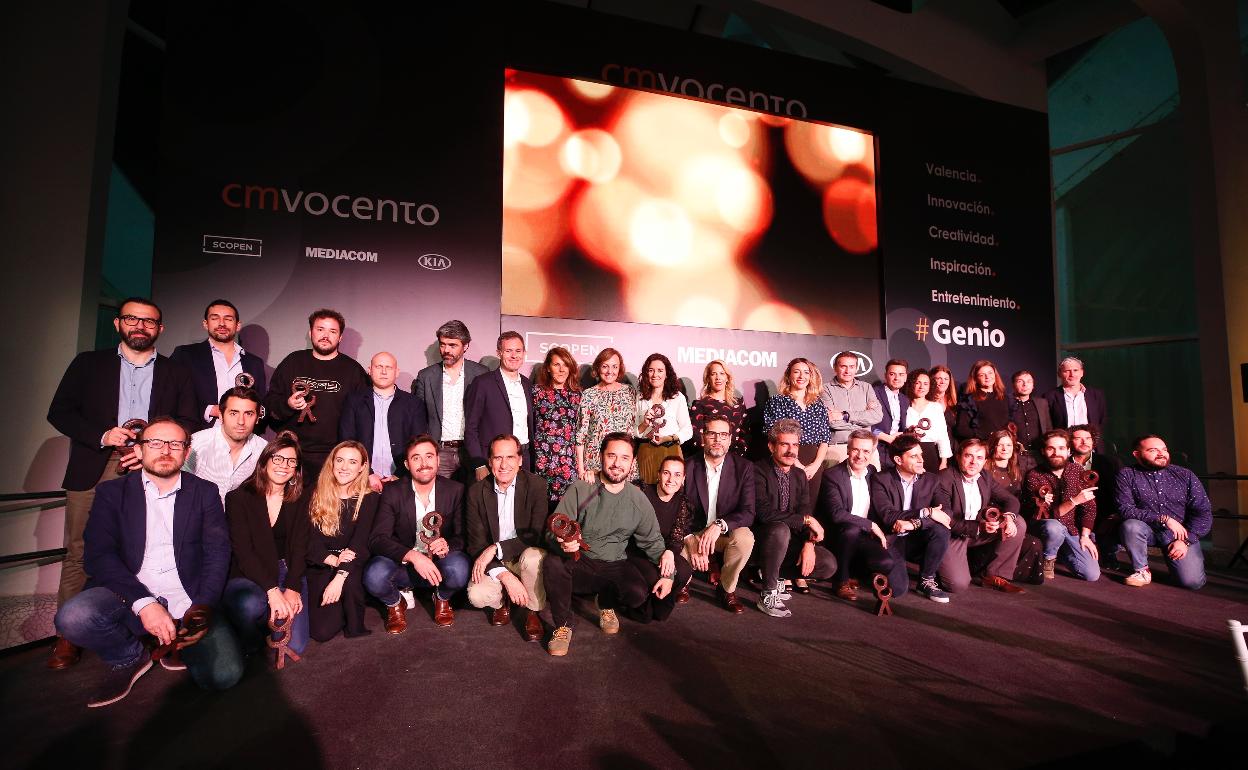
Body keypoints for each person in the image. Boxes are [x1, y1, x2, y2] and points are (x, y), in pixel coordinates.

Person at [45, 297, 198, 670]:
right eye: (132, 319)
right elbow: (59, 411)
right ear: (119, 324)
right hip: (94, 464)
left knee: (150, 545)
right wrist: (101, 435)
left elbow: (190, 420)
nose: (140, 326)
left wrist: (151, 447)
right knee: (81, 548)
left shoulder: (175, 371)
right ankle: (69, 635)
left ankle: (144, 620)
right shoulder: (89, 364)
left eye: (149, 321)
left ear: (160, 329)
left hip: (151, 466)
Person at [53, 417, 243, 706]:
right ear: (138, 451)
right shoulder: (111, 494)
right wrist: (145, 603)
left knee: (224, 676)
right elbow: (98, 556)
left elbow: (217, 552)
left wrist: (203, 607)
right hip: (129, 591)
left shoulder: (204, 492)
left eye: (175, 444)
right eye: (155, 443)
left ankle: (174, 641)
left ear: (186, 452)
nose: (165, 450)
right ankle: (131, 655)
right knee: (74, 617)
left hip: (188, 594)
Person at [544, 434, 669, 656]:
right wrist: (562, 543)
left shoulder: (638, 499)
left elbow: (653, 542)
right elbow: (553, 529)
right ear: (601, 456)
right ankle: (563, 625)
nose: (617, 464)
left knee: (637, 593)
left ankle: (606, 603)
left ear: (632, 463)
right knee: (553, 563)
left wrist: (668, 574)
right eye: (611, 456)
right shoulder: (582, 488)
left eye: (624, 458)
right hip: (581, 560)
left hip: (614, 564)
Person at [366, 435, 470, 631]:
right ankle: (395, 603)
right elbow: (377, 539)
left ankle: (441, 598)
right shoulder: (392, 491)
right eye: (416, 458)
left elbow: (463, 536)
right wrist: (411, 555)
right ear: (406, 464)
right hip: (403, 566)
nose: (424, 464)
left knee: (459, 569)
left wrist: (448, 544)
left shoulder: (455, 490)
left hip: (438, 567)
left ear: (438, 460)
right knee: (374, 576)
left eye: (429, 456)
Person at [222, 432, 311, 658]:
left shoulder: (300, 498)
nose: (284, 465)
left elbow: (301, 545)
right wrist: (273, 592)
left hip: (288, 569)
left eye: (291, 461)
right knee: (251, 606)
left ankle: (270, 616)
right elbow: (244, 552)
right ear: (265, 462)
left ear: (296, 469)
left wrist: (292, 588)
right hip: (251, 573)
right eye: (277, 459)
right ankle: (247, 634)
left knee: (295, 645)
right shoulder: (239, 498)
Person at [263, 309, 368, 479]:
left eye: (332, 331)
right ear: (310, 332)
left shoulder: (353, 370)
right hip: (292, 453)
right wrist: (288, 405)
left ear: (340, 337)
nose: (326, 335)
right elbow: (270, 403)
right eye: (320, 329)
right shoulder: (292, 362)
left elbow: (363, 418)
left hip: (334, 456)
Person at [465, 434, 548, 641]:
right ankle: (502, 602)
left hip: (523, 554)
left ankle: (532, 610)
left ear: (520, 460)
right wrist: (506, 576)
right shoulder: (476, 492)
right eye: (498, 458)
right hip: (497, 562)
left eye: (510, 457)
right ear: (490, 461)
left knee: (533, 558)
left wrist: (496, 548)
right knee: (477, 596)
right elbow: (476, 544)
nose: (504, 465)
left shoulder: (536, 485)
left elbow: (535, 534)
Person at [752, 420, 837, 617]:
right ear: (771, 446)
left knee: (828, 564)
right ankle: (768, 593)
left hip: (791, 541)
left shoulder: (799, 475)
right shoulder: (757, 470)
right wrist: (807, 521)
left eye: (795, 445)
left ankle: (774, 575)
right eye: (784, 444)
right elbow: (764, 514)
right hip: (761, 540)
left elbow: (804, 510)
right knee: (779, 529)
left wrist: (809, 544)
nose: (791, 451)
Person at [303, 441, 379, 641]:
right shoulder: (314, 492)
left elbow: (360, 543)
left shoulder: (368, 498)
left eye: (352, 462)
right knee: (320, 632)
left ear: (363, 467)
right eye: (340, 460)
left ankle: (351, 606)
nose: (344, 467)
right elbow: (309, 541)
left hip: (352, 563)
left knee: (351, 582)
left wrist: (340, 575)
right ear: (332, 463)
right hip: (321, 562)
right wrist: (334, 561)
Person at [1115, 435, 1210, 590]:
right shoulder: (1126, 474)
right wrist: (1163, 519)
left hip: (1180, 534)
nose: (1161, 453)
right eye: (1153, 450)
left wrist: (1186, 541)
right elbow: (1125, 509)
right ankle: (1141, 571)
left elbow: (1203, 512)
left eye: (1164, 449)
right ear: (1136, 454)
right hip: (1147, 530)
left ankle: (1179, 567)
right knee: (1130, 525)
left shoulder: (1185, 475)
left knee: (1192, 583)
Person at [683, 417, 757, 613]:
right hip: (694, 532)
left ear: (730, 439)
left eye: (723, 435)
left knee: (745, 538)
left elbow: (748, 512)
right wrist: (691, 540)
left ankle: (726, 589)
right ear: (703, 437)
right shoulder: (687, 466)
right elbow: (675, 510)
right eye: (712, 434)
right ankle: (682, 582)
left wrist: (719, 525)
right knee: (678, 549)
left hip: (722, 534)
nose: (718, 439)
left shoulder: (744, 468)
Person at [934, 439, 1027, 594]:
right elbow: (946, 519)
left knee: (1018, 523)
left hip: (977, 530)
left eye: (979, 458)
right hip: (951, 535)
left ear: (985, 461)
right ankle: (939, 566)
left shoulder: (984, 476)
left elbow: (1010, 500)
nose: (973, 462)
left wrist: (1008, 518)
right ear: (958, 457)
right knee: (957, 585)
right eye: (968, 456)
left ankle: (994, 576)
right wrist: (979, 527)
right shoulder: (944, 478)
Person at [871, 434, 953, 602]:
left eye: (921, 455)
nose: (921, 460)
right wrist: (926, 512)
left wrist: (915, 523)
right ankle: (872, 568)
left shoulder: (931, 480)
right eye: (914, 456)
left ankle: (926, 580)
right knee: (898, 590)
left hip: (916, 538)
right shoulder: (881, 479)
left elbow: (947, 514)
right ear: (898, 460)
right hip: (891, 538)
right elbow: (888, 515)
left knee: (941, 529)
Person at [819, 430, 894, 601]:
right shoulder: (833, 476)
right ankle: (840, 581)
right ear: (847, 449)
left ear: (873, 452)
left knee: (886, 563)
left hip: (864, 536)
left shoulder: (873, 472)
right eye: (855, 450)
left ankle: (852, 572)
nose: (860, 456)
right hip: (839, 535)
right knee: (851, 530)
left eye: (866, 451)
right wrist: (871, 525)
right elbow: (837, 514)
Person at [170, 299, 267, 431]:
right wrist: (210, 410)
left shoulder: (254, 363)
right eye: (215, 318)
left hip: (244, 438)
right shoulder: (185, 355)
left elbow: (261, 403)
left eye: (228, 319)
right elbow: (171, 397)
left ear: (238, 325)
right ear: (206, 323)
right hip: (198, 437)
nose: (222, 323)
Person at [339, 351, 427, 492]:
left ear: (396, 372)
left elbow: (419, 443)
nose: (384, 371)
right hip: (361, 478)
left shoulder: (413, 403)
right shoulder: (354, 400)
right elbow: (347, 440)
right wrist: (367, 473)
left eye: (389, 367)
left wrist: (399, 475)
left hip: (401, 479)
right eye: (378, 367)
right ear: (369, 370)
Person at [411, 319, 489, 479]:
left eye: (452, 345)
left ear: (466, 346)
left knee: (474, 501)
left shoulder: (481, 374)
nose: (446, 350)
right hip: (440, 451)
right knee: (441, 502)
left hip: (474, 451)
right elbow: (418, 418)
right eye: (442, 344)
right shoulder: (426, 377)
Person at [1023, 430, 1100, 582]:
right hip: (1043, 527)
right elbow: (1047, 514)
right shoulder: (1034, 475)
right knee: (1054, 527)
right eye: (1051, 448)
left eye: (1061, 448)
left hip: (1070, 528)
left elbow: (1089, 507)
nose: (1056, 453)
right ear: (1043, 451)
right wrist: (1074, 501)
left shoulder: (1077, 470)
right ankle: (1048, 559)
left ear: (1069, 450)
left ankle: (1061, 552)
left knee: (1091, 574)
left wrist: (1085, 536)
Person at [762, 358, 831, 510]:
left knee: (810, 506)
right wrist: (796, 463)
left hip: (814, 460)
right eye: (796, 371)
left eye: (806, 372)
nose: (801, 376)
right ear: (789, 376)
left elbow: (825, 438)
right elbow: (773, 433)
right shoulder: (777, 401)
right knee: (789, 506)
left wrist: (816, 465)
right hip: (787, 457)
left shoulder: (818, 404)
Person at [465, 332, 535, 481]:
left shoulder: (528, 384)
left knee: (521, 503)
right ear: (499, 353)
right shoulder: (482, 383)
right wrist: (479, 464)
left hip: (524, 458)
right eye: (508, 351)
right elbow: (471, 427)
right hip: (494, 461)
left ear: (524, 353)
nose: (514, 355)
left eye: (518, 351)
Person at [183, 386, 268, 504]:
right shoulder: (196, 444)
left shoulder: (263, 449)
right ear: (221, 416)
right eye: (233, 413)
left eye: (248, 414)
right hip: (199, 515)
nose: (241, 421)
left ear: (257, 418)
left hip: (238, 518)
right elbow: (180, 488)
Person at [638, 457, 695, 618]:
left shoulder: (682, 502)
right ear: (658, 475)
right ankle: (640, 602)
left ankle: (661, 597)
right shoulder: (642, 491)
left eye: (677, 475)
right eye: (666, 473)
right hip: (638, 550)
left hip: (663, 551)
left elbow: (676, 537)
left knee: (684, 569)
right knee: (645, 614)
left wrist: (669, 552)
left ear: (683, 479)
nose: (671, 480)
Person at [575, 348, 637, 482]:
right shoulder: (589, 394)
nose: (610, 371)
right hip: (595, 464)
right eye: (605, 366)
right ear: (598, 368)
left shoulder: (630, 392)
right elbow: (581, 436)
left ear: (620, 369)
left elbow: (636, 429)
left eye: (614, 367)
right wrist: (581, 470)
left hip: (624, 463)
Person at [531, 347, 583, 506]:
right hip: (542, 461)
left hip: (568, 463)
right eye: (556, 365)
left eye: (565, 365)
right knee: (540, 507)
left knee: (567, 510)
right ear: (547, 368)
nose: (561, 369)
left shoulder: (578, 395)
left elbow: (581, 431)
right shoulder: (537, 392)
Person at [1070, 424, 1123, 570]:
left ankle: (1109, 553)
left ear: (1093, 442)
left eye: (1088, 438)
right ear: (1069, 442)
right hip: (1073, 511)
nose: (1084, 442)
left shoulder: (1110, 463)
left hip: (1103, 512)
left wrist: (1115, 514)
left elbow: (1118, 493)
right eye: (1078, 439)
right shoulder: (1063, 463)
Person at [634, 353, 693, 484]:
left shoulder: (677, 398)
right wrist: (644, 423)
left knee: (671, 492)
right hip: (646, 451)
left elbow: (688, 430)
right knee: (646, 493)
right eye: (651, 370)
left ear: (667, 374)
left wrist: (668, 438)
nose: (655, 375)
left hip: (671, 450)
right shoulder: (639, 398)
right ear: (646, 373)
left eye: (660, 370)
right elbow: (634, 431)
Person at [820, 351, 882, 466]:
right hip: (839, 447)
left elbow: (877, 416)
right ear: (835, 368)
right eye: (843, 366)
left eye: (851, 367)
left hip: (866, 448)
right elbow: (832, 422)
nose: (848, 371)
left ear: (856, 368)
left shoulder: (866, 387)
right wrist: (863, 422)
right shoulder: (825, 389)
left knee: (873, 482)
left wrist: (845, 415)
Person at [689, 360, 748, 456]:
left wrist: (738, 454)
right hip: (709, 456)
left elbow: (745, 432)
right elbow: (696, 435)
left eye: (722, 373)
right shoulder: (700, 404)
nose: (718, 378)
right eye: (713, 374)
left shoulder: (739, 403)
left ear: (727, 378)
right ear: (708, 378)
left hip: (735, 457)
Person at [1042, 357, 1108, 440]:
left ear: (1082, 373)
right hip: (1063, 447)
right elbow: (1048, 426)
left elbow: (1102, 421)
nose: (1072, 374)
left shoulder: (1096, 395)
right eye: (1067, 371)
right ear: (1059, 374)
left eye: (1075, 370)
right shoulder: (1049, 396)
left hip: (1090, 446)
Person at [903, 369, 951, 474]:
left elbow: (943, 435)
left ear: (930, 386)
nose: (921, 387)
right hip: (908, 451)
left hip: (930, 452)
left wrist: (943, 461)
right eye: (917, 383)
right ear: (911, 384)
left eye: (925, 383)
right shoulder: (903, 406)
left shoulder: (935, 407)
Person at [953, 360, 1009, 443]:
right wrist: (985, 437)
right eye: (982, 375)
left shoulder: (1004, 397)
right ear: (975, 378)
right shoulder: (969, 400)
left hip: (1002, 446)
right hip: (982, 447)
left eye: (990, 373)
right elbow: (961, 429)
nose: (987, 377)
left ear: (995, 374)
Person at [1007, 370, 1052, 472]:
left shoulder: (1042, 403)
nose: (1025, 384)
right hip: (1015, 455)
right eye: (1020, 381)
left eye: (1029, 381)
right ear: (1013, 385)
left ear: (1033, 385)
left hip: (1039, 455)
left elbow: (1048, 428)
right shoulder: (1006, 403)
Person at [871, 359, 910, 471]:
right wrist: (887, 438)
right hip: (876, 447)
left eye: (901, 374)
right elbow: (867, 426)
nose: (897, 378)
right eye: (892, 374)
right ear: (885, 375)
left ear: (905, 377)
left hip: (896, 450)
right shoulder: (873, 393)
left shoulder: (905, 400)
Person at [929, 364, 959, 451]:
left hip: (952, 448)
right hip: (932, 448)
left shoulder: (955, 402)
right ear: (931, 380)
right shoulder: (925, 401)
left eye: (946, 379)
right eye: (938, 379)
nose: (943, 382)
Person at [987, 429, 1022, 498]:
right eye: (1000, 445)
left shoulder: (1018, 468)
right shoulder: (984, 471)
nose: (1005, 449)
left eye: (1009, 445)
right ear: (993, 447)